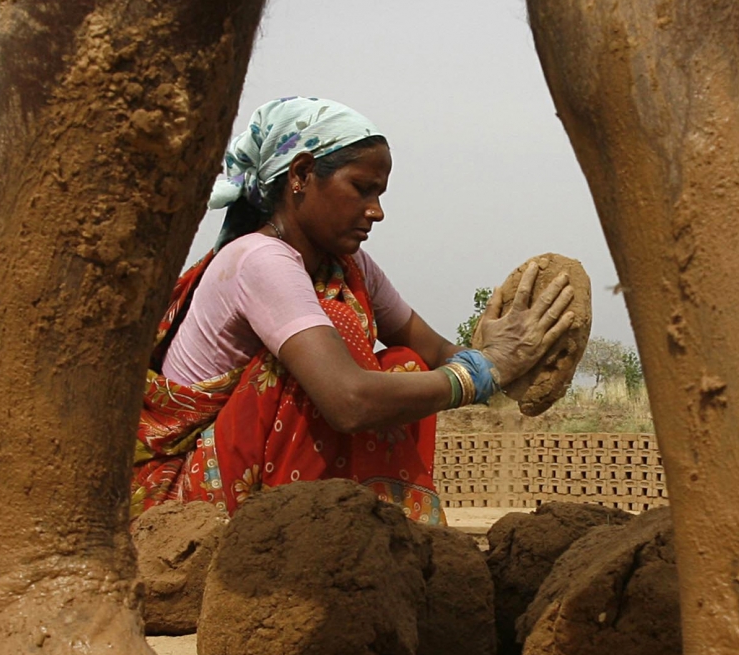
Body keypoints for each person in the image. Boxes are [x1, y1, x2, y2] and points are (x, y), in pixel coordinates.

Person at [132, 96, 573, 523]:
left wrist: (514, 359)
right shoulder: (261, 258)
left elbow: (435, 353)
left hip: (249, 469)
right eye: (361, 189)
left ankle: (365, 532)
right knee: (335, 333)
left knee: (402, 362)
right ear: (301, 174)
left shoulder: (347, 266)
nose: (376, 211)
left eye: (379, 193)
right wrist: (481, 372)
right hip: (183, 498)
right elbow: (348, 402)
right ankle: (307, 534)